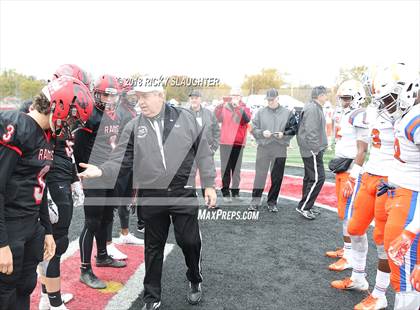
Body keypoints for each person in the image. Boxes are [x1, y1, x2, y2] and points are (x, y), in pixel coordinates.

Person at [77, 83, 217, 310]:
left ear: (160, 95)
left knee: (189, 241)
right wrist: (102, 170)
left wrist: (209, 185)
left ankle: (194, 278)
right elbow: (120, 160)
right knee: (153, 247)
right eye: (137, 97)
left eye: (145, 97)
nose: (140, 102)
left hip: (183, 192)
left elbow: (203, 152)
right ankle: (152, 296)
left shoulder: (186, 118)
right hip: (152, 195)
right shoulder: (133, 126)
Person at [0, 76, 93, 310]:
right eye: (73, 118)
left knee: (25, 287)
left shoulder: (47, 134)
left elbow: (39, 185)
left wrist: (47, 230)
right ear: (58, 106)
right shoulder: (17, 126)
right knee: (5, 293)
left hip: (31, 225)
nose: (72, 126)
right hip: (9, 226)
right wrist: (1, 244)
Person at [330, 65, 407, 310]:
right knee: (354, 227)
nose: (384, 102)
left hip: (391, 181)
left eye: (389, 97)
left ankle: (380, 293)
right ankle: (359, 278)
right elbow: (362, 147)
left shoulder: (409, 116)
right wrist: (354, 174)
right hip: (368, 175)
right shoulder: (370, 112)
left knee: (382, 240)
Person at [38, 64, 93, 310]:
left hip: (61, 177)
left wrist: (73, 178)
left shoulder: (58, 117)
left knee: (52, 242)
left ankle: (46, 296)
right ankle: (53, 301)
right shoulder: (40, 116)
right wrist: (43, 190)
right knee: (55, 243)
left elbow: (65, 150)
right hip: (51, 181)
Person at [73, 74, 127, 290]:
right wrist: (80, 175)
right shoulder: (90, 116)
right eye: (105, 94)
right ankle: (85, 270)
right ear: (96, 93)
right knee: (92, 222)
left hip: (108, 173)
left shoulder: (115, 115)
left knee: (106, 217)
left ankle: (102, 255)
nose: (109, 99)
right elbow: (78, 149)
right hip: (92, 174)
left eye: (113, 95)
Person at [381, 72, 419, 309]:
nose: (387, 105)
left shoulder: (415, 118)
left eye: (389, 98)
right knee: (403, 267)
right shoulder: (407, 116)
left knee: (404, 268)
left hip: (412, 198)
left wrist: (412, 229)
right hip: (403, 194)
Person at [325, 80, 369, 274]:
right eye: (342, 97)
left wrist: (354, 175)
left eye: (346, 98)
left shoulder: (360, 115)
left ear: (356, 97)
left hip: (352, 169)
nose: (343, 101)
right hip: (343, 168)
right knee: (343, 212)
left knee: (349, 215)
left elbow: (362, 150)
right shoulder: (346, 113)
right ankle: (347, 249)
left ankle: (349, 257)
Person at [105, 79, 144, 262]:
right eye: (129, 95)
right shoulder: (119, 112)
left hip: (130, 162)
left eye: (134, 95)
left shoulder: (130, 111)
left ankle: (125, 233)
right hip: (119, 162)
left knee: (126, 200)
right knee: (111, 204)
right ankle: (106, 245)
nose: (133, 98)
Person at [248, 88, 298, 212]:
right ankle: (255, 201)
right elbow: (253, 128)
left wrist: (284, 134)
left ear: (277, 98)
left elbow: (294, 128)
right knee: (260, 175)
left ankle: (272, 202)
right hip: (264, 147)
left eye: (272, 99)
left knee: (277, 177)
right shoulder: (260, 112)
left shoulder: (287, 113)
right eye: (268, 100)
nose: (270, 102)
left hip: (279, 147)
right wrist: (261, 132)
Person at [296, 86, 328, 219]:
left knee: (310, 177)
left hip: (310, 147)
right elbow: (311, 131)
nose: (326, 97)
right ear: (319, 95)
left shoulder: (313, 107)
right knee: (318, 178)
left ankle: (305, 204)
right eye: (325, 95)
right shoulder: (313, 108)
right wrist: (315, 148)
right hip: (311, 148)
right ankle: (305, 207)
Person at [214, 88, 251, 203]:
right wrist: (219, 106)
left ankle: (235, 192)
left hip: (238, 143)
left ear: (241, 97)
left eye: (237, 95)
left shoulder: (245, 108)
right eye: (232, 95)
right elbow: (217, 118)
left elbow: (246, 120)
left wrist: (238, 107)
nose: (234, 97)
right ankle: (225, 192)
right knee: (225, 169)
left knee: (236, 170)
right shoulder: (224, 107)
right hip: (225, 142)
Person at [188, 89, 220, 198]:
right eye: (192, 98)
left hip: (206, 151)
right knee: (189, 177)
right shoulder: (184, 114)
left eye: (196, 98)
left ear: (200, 99)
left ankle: (209, 201)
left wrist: (214, 147)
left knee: (208, 177)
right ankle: (190, 202)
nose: (194, 100)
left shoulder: (209, 114)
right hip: (190, 153)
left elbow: (217, 131)